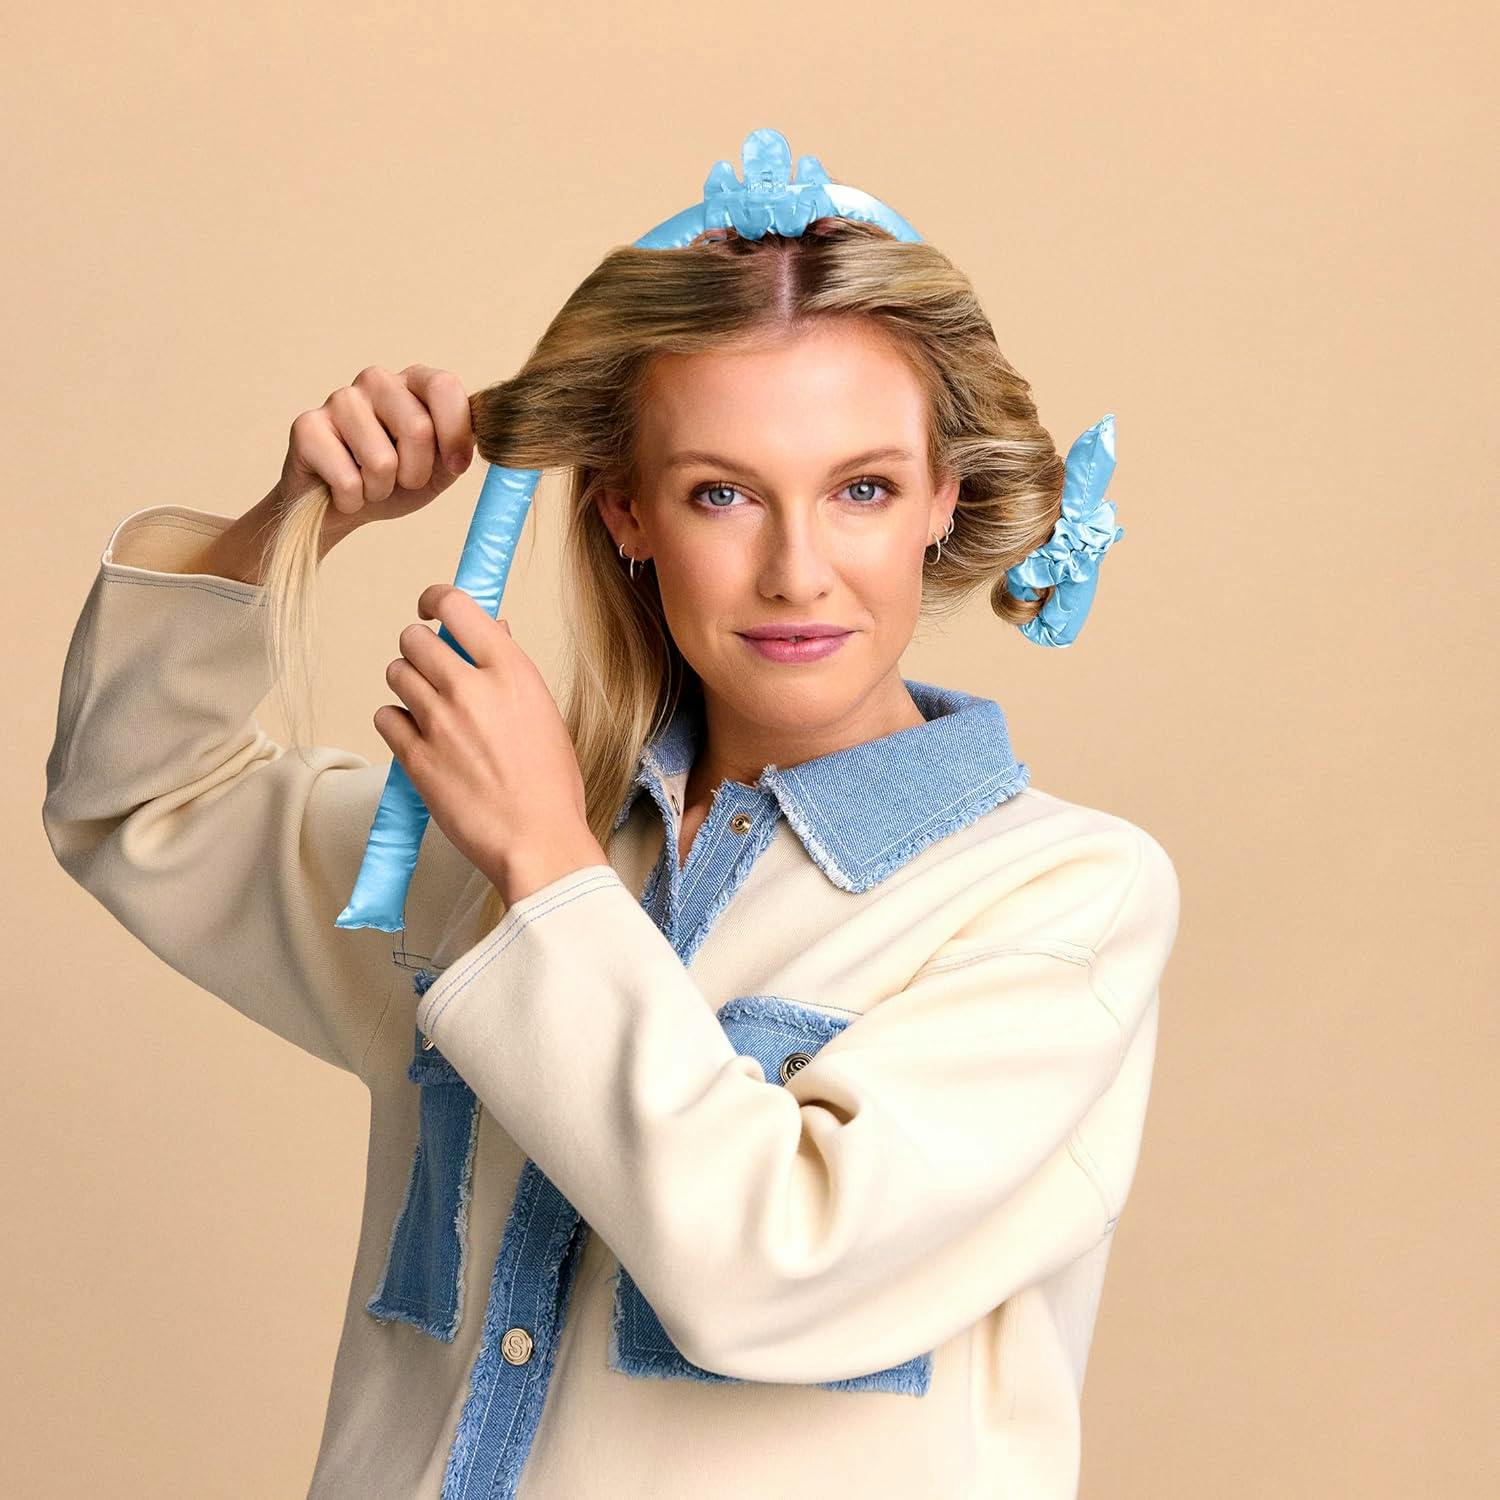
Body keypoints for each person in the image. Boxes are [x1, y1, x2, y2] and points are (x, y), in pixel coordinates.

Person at [42, 217, 1181, 1499]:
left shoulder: (1064, 898)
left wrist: (544, 863)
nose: (797, 571)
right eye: (722, 493)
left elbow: (773, 1271)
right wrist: (286, 526)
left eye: (861, 488)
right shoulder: (487, 851)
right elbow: (136, 802)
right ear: (628, 512)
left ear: (942, 499)